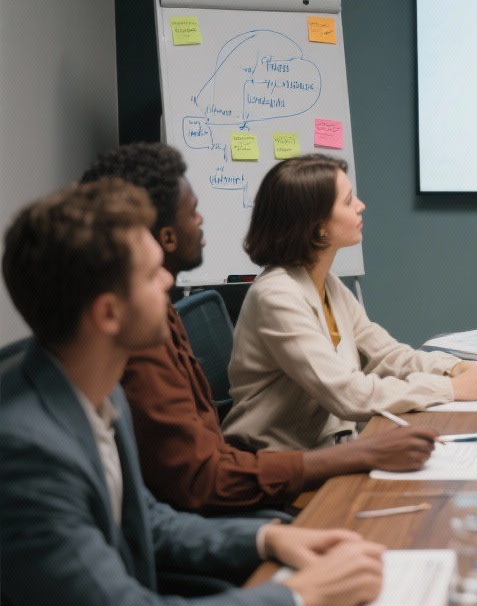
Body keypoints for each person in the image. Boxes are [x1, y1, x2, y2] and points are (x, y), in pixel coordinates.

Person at [0, 179, 385, 606]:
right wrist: (299, 595)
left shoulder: (99, 394)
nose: (169, 278)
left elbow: (146, 521)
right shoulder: (30, 456)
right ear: (108, 313)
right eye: (152, 274)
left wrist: (266, 538)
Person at [81, 143, 443, 515]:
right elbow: (201, 484)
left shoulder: (159, 320)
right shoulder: (145, 344)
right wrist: (360, 453)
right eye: (193, 212)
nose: (202, 220)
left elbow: (193, 480)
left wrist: (454, 371)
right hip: (266, 476)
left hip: (271, 471)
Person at [221, 154, 477, 451]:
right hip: (275, 461)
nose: (360, 206)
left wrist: (455, 368)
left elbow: (386, 355)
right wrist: (451, 388)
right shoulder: (276, 297)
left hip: (323, 447)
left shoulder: (327, 283)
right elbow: (348, 395)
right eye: (348, 201)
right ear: (318, 226)